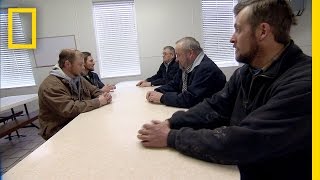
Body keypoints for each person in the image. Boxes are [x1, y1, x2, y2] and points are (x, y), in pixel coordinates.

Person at [137, 0, 311, 180]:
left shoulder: (305, 83)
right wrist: (171, 122)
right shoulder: (246, 73)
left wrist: (172, 137)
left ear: (263, 31)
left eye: (238, 29)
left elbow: (245, 141)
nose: (232, 38)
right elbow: (214, 107)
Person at [38, 49, 112, 140]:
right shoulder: (50, 86)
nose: (83, 67)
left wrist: (104, 96)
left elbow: (94, 90)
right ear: (67, 64)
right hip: (59, 130)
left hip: (77, 121)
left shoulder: (77, 77)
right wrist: (99, 101)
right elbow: (70, 109)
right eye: (80, 64)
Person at [146, 37, 226, 108]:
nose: (176, 60)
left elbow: (190, 99)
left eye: (178, 55)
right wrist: (157, 91)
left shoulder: (206, 68)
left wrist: (162, 98)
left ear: (190, 53)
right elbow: (174, 84)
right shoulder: (186, 66)